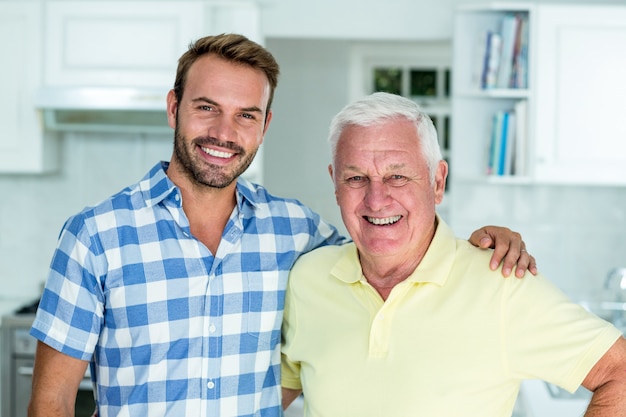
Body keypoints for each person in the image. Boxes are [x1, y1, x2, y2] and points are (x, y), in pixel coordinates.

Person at [27, 34, 535, 417]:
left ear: (264, 126)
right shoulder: (95, 236)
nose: (224, 133)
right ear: (174, 107)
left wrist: (482, 240)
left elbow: (390, 247)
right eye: (207, 108)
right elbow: (52, 402)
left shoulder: (297, 233)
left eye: (246, 115)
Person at [281, 92, 626, 416]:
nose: (376, 199)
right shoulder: (307, 279)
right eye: (356, 178)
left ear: (437, 181)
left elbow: (619, 372)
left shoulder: (501, 284)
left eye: (397, 176)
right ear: (335, 184)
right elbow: (263, 395)